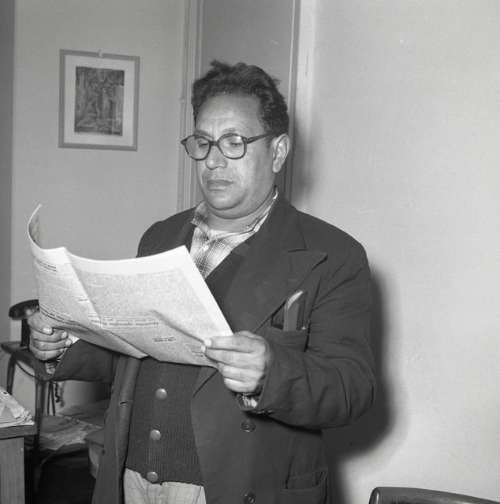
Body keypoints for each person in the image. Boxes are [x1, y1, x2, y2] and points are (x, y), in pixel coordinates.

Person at [29, 61, 375, 504]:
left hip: (238, 489)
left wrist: (273, 373)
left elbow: (352, 388)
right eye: (203, 142)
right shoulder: (160, 236)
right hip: (131, 478)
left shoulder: (333, 254)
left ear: (278, 151)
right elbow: (136, 351)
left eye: (234, 142)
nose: (213, 160)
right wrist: (66, 344)